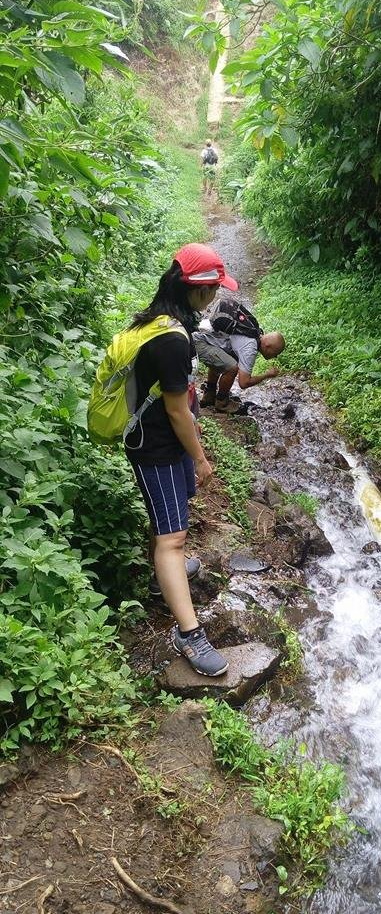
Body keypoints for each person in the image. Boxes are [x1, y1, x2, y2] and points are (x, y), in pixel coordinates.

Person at [124, 243, 238, 676]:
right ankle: (187, 633)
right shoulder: (172, 339)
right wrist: (202, 457)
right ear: (198, 289)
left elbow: (177, 401)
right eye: (213, 290)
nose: (215, 298)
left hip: (160, 437)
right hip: (156, 445)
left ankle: (161, 577)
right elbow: (174, 409)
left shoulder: (159, 320)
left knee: (167, 523)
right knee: (173, 539)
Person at [193, 299, 285, 413]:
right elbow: (244, 383)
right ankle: (222, 402)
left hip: (200, 336)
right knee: (232, 368)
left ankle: (209, 394)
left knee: (223, 358)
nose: (274, 357)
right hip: (199, 342)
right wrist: (266, 375)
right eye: (275, 353)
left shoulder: (254, 330)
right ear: (268, 346)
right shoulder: (250, 347)